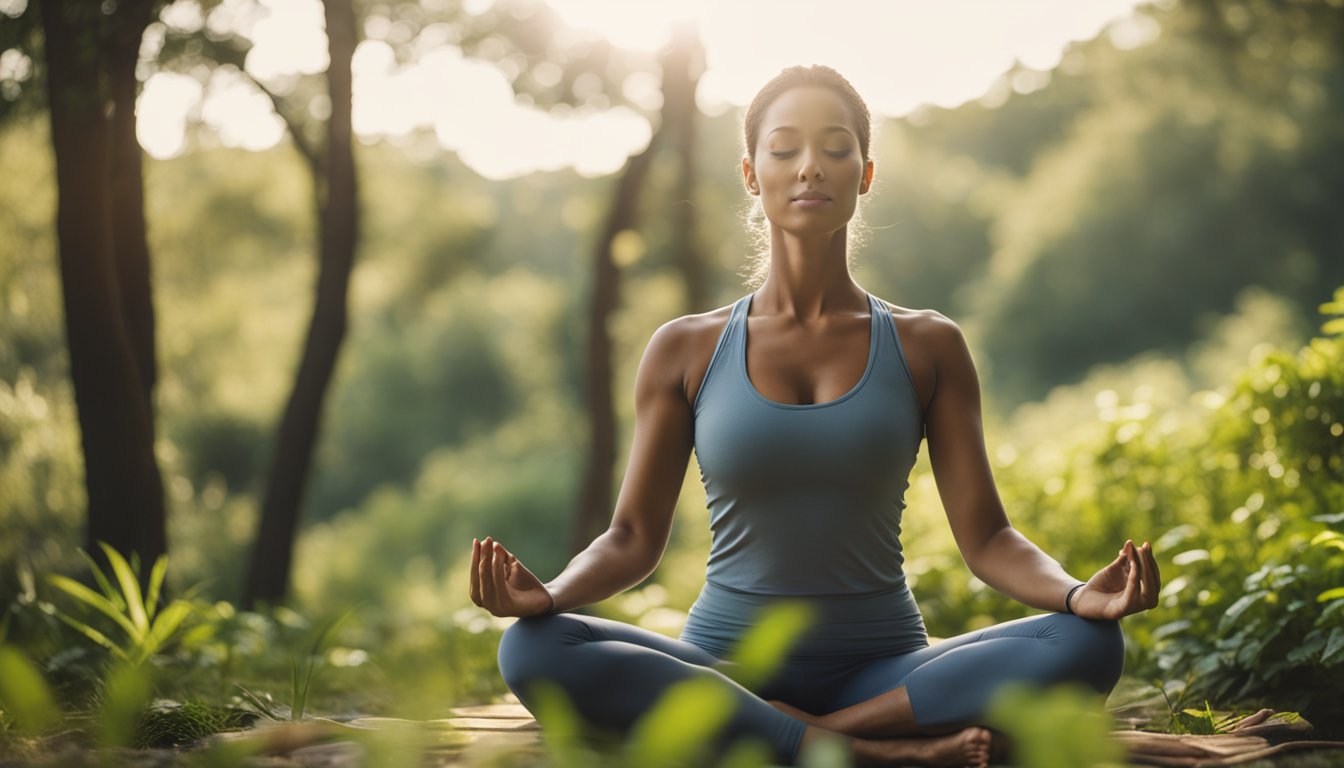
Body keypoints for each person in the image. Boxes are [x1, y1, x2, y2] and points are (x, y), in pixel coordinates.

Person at [469, 64, 1161, 768]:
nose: (809, 169)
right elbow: (632, 538)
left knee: (1087, 642)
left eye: (835, 149)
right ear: (749, 172)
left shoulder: (929, 345)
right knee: (533, 644)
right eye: (784, 149)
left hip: (887, 670)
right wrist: (549, 593)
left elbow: (988, 539)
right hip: (726, 669)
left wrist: (1077, 595)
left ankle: (803, 734)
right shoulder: (685, 348)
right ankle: (871, 751)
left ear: (864, 174)